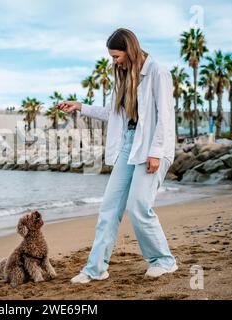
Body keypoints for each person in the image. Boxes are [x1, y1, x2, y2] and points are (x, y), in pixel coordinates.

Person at [58, 28, 177, 284]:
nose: (114, 61)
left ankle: (163, 261)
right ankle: (95, 269)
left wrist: (156, 153)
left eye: (116, 56)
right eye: (112, 57)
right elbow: (114, 114)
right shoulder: (124, 77)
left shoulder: (158, 72)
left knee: (138, 206)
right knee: (108, 209)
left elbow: (165, 118)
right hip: (129, 145)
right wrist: (81, 106)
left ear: (130, 49)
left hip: (153, 147)